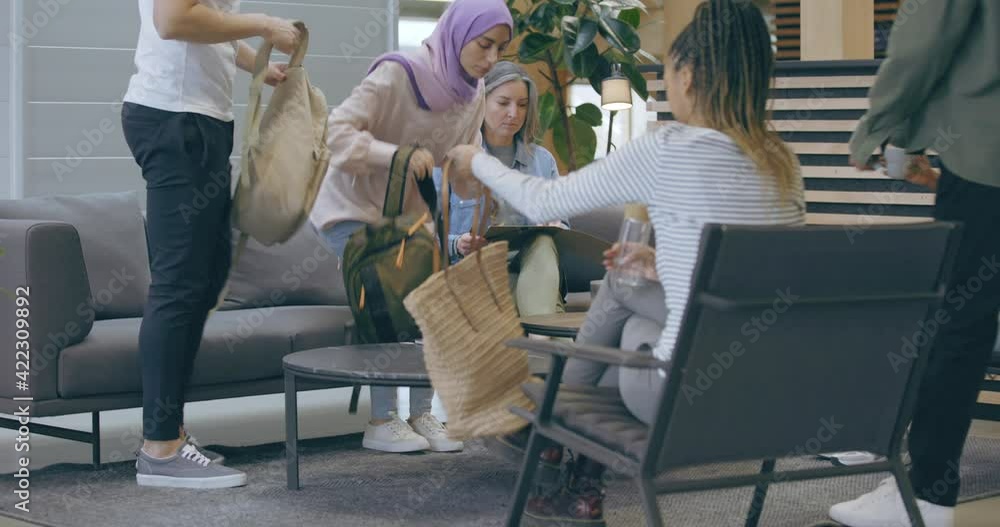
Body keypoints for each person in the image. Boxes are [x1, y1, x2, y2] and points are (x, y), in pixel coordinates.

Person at [447, 1, 805, 524]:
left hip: (675, 399)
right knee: (634, 299)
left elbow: (546, 202)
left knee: (622, 297)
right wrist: (663, 263)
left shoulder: (670, 148)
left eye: (668, 76)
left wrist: (473, 158)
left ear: (690, 76)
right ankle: (580, 482)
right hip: (765, 399)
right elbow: (747, 283)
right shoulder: (784, 165)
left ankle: (547, 432)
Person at [307, 0, 513, 454]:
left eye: (500, 48)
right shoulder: (398, 74)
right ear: (458, 35)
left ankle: (422, 414)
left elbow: (459, 170)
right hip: (349, 206)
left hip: (406, 212)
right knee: (385, 296)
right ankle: (382, 420)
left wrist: (481, 179)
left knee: (429, 302)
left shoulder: (472, 94)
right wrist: (394, 154)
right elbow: (332, 135)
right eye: (484, 45)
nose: (491, 58)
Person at [828, 2, 1000, 526]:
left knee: (960, 328)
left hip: (987, 160)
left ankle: (925, 494)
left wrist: (876, 129)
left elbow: (924, 41)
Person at [121, 0, 300, 488]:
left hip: (200, 120)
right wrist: (265, 25)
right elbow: (174, 20)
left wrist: (254, 65)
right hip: (174, 117)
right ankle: (159, 448)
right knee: (180, 284)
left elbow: (208, 24)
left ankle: (171, 433)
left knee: (207, 277)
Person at [434, 60, 568, 319]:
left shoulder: (543, 161)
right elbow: (423, 235)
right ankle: (544, 336)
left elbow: (565, 232)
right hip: (476, 278)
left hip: (533, 275)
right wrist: (456, 244)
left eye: (522, 105)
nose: (513, 114)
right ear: (481, 102)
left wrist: (557, 225)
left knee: (542, 241)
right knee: (555, 329)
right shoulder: (452, 160)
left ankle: (540, 335)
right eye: (503, 103)